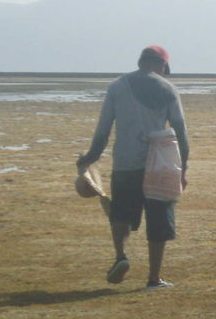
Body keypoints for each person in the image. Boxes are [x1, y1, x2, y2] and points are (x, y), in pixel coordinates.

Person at [77, 45, 189, 289]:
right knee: (159, 217)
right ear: (162, 65)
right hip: (159, 164)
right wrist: (184, 169)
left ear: (140, 62)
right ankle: (154, 278)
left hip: (125, 162)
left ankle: (121, 256)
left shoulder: (117, 87)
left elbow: (103, 130)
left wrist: (89, 158)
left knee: (121, 213)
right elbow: (181, 131)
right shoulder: (168, 88)